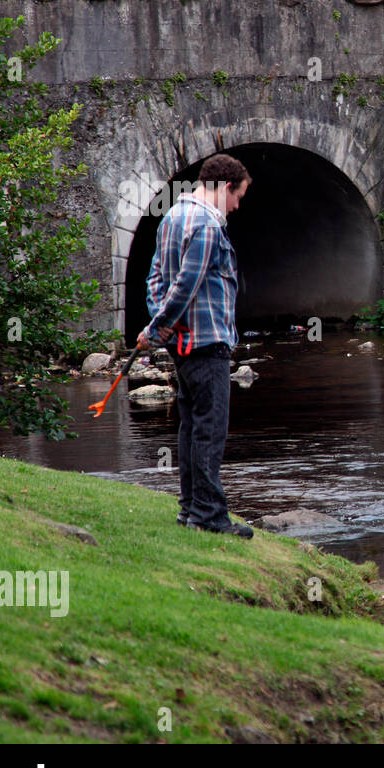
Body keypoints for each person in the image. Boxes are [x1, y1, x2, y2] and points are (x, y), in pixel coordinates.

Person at [139, 153, 252, 538]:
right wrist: (161, 326)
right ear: (223, 188)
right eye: (237, 196)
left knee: (190, 427)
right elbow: (187, 283)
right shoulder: (206, 225)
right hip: (206, 342)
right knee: (209, 430)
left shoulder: (171, 217)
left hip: (183, 345)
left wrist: (161, 324)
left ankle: (190, 510)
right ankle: (209, 516)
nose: (237, 205)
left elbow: (154, 278)